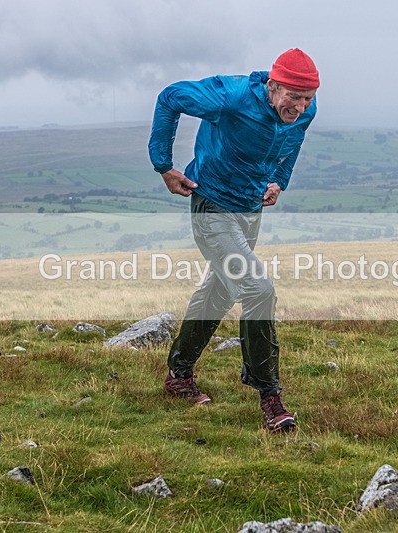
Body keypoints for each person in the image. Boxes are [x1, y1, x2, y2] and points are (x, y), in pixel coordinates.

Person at [148, 48, 319, 432]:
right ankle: (270, 397)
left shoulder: (305, 108)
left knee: (221, 291)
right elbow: (170, 96)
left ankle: (178, 375)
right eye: (293, 96)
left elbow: (295, 139)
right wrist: (163, 165)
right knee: (258, 288)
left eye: (307, 98)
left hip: (250, 208)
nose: (300, 106)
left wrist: (280, 180)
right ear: (273, 86)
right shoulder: (233, 95)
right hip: (212, 205)